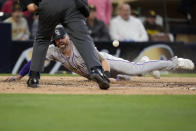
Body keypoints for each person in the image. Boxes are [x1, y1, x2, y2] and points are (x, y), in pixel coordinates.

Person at [5, 27, 195, 83]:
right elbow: (34, 60)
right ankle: (144, 62)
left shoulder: (81, 45)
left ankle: (174, 62)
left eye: (62, 38)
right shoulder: (53, 51)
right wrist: (20, 75)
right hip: (96, 74)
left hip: (105, 64)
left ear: (67, 36)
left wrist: (104, 78)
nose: (60, 41)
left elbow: (103, 61)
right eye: (57, 40)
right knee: (127, 79)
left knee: (136, 71)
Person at [18, 0, 110, 90]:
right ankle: (96, 70)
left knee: (42, 39)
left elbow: (31, 7)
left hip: (48, 4)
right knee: (83, 38)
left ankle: (33, 77)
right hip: (71, 4)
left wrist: (41, 7)